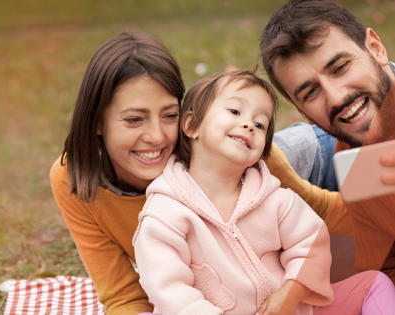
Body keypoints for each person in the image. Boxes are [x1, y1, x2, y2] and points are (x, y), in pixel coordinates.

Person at [51, 31, 346, 315]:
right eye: (133, 119)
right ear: (97, 122)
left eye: (169, 115)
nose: (157, 136)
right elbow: (124, 297)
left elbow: (320, 209)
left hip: (316, 154)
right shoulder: (72, 179)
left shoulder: (239, 146)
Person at [133, 69, 395, 315]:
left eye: (260, 125)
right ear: (191, 125)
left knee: (374, 284)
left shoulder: (276, 200)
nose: (249, 125)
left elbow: (311, 244)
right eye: (235, 111)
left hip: (292, 309)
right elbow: (170, 290)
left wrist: (292, 292)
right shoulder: (164, 216)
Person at [260, 0, 395, 282]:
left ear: (376, 48)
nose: (336, 97)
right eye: (310, 93)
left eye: (340, 67)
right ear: (300, 110)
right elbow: (386, 270)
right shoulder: (353, 158)